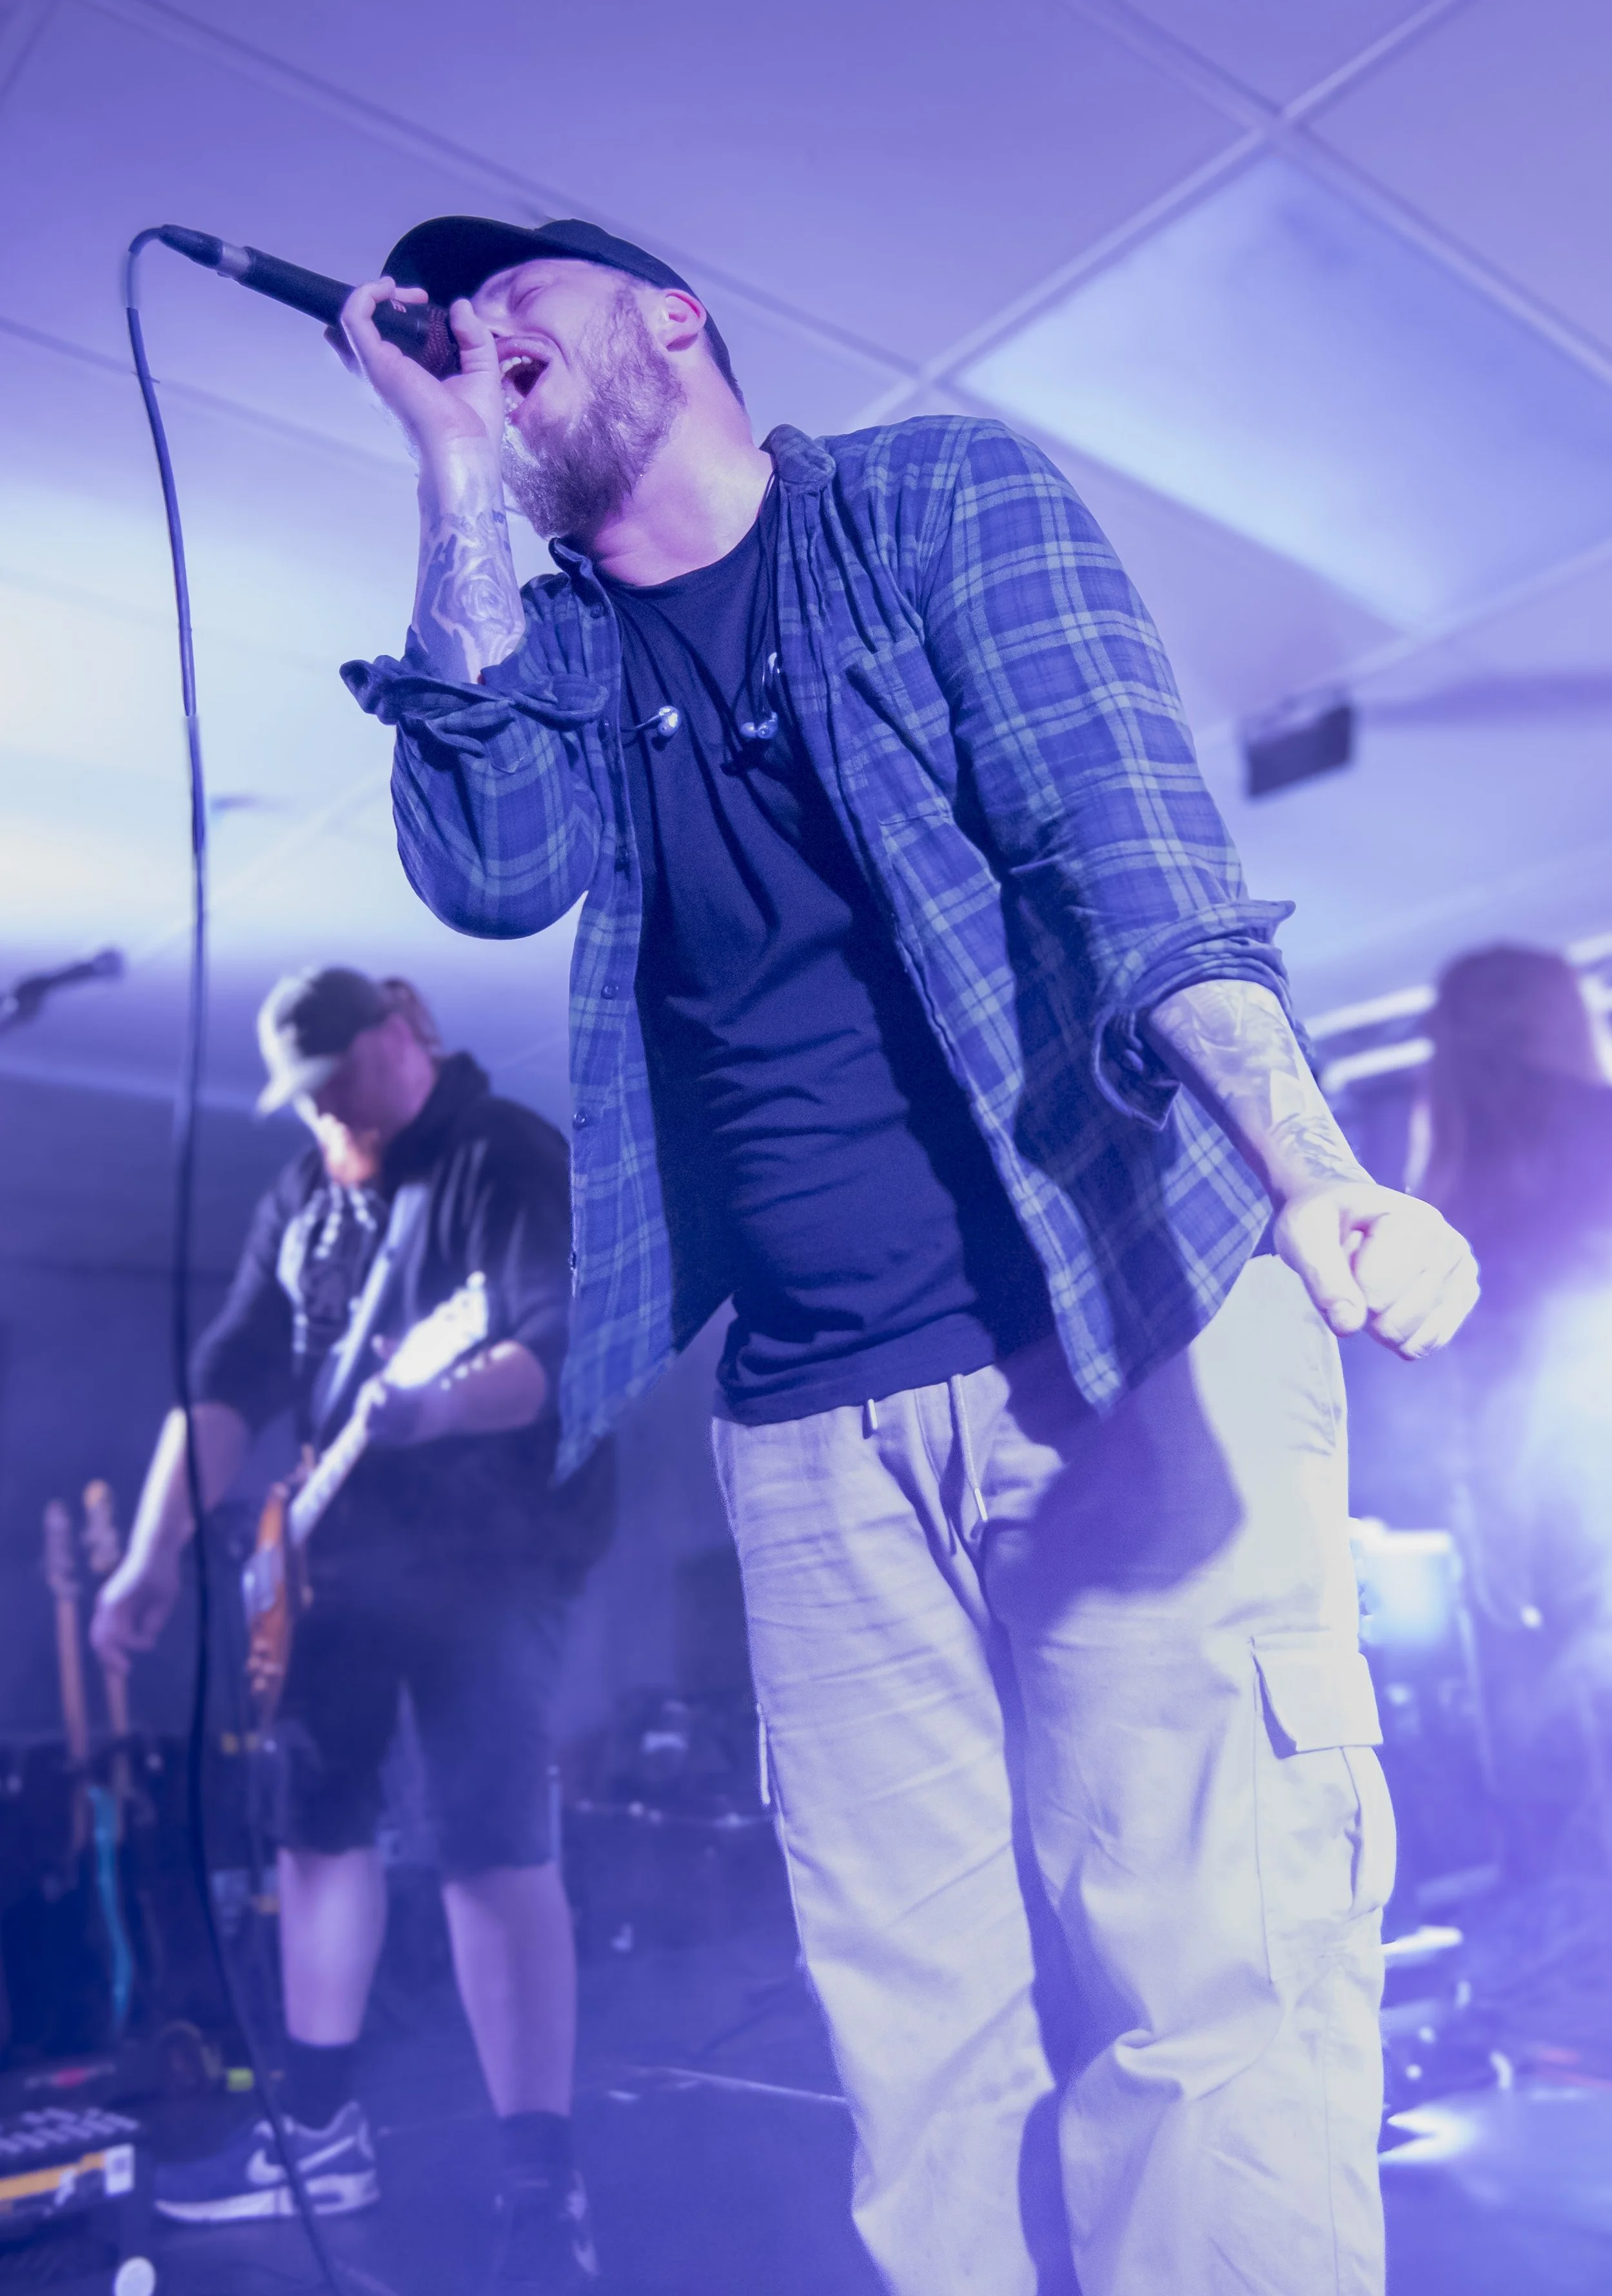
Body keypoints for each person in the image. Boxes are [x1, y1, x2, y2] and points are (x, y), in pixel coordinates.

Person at [335, 215, 1479, 2296]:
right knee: (917, 2066)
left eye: (520, 292)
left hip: (1128, 1323)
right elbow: (485, 865)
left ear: (673, 314)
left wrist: (1312, 1167)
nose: (479, 324)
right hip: (811, 1424)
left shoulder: (932, 501)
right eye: (451, 314)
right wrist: (450, 469)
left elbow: (1129, 854)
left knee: (1205, 1997)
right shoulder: (563, 651)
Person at [92, 966, 611, 2295]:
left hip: (495, 1556)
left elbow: (549, 1352)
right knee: (316, 1830)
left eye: (339, 1084)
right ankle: (317, 2135)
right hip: (340, 1568)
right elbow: (227, 1379)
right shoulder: (305, 1200)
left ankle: (538, 2177)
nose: (330, 1116)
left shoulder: (504, 1156)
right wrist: (151, 1555)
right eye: (308, 1100)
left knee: (491, 1841)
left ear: (403, 1030)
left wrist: (434, 1409)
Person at [1417, 945, 1612, 1874]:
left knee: (1565, 1731)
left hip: (1521, 1495)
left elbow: (1457, 1385)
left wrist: (1483, 1511)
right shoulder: (1596, 1128)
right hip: (1574, 1468)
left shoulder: (1451, 1180)